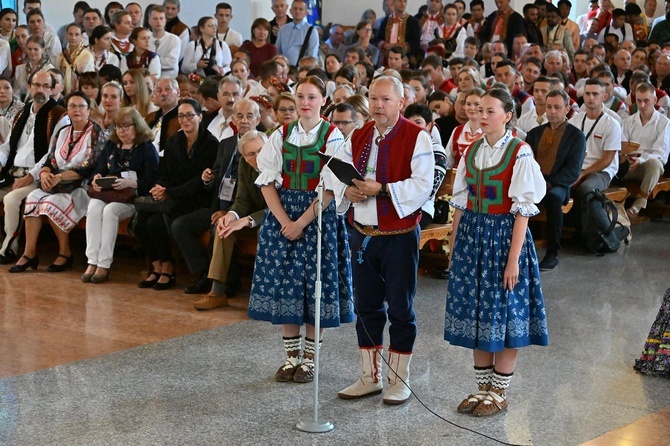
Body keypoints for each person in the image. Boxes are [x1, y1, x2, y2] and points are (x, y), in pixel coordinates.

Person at [444, 87, 548, 417]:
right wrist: (453, 244)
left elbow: (523, 211)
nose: (483, 116)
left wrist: (513, 259)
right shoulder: (471, 151)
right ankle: (481, 389)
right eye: (479, 110)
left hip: (504, 239)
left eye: (491, 111)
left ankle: (499, 391)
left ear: (507, 116)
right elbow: (460, 202)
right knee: (478, 313)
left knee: (503, 315)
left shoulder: (520, 153)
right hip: (474, 238)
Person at [248, 76, 354, 384]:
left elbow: (331, 189)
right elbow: (267, 182)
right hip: (282, 216)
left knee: (313, 287)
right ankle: (290, 356)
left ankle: (310, 358)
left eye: (311, 97)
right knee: (286, 285)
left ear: (323, 101)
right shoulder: (279, 135)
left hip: (316, 217)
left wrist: (301, 223)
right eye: (300, 97)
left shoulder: (333, 137)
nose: (304, 103)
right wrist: (284, 221)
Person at [336, 76, 434, 405]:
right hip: (361, 234)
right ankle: (369, 377)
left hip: (399, 236)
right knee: (366, 306)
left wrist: (382, 189)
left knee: (401, 309)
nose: (378, 105)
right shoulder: (359, 133)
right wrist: (346, 190)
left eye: (386, 100)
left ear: (400, 103)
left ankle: (399, 379)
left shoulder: (416, 137)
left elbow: (423, 184)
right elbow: (337, 172)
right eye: (374, 99)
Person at [9, 91, 105, 273]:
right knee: (33, 197)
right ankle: (29, 253)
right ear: (67, 110)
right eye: (72, 106)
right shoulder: (62, 131)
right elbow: (51, 159)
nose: (76, 110)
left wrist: (59, 177)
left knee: (51, 202)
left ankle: (65, 252)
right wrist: (45, 173)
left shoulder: (95, 132)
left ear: (88, 110)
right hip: (55, 182)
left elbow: (90, 166)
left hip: (80, 185)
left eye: (81, 106)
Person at [172, 98, 260, 295]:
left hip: (245, 209)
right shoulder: (226, 143)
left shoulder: (263, 145)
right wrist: (207, 179)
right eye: (239, 115)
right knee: (180, 225)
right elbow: (218, 175)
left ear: (258, 118)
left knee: (219, 229)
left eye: (249, 116)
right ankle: (204, 272)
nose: (244, 120)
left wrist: (227, 212)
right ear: (233, 120)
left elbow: (250, 197)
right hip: (217, 204)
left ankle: (228, 282)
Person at [134, 98, 218, 290]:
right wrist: (159, 187)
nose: (185, 120)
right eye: (181, 116)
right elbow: (166, 173)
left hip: (199, 201)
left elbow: (200, 182)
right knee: (141, 221)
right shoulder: (175, 141)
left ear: (200, 117)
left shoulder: (210, 143)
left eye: (190, 115)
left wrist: (169, 193)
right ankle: (159, 267)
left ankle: (203, 273)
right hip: (175, 198)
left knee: (163, 223)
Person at [194, 129, 268, 310]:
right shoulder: (244, 164)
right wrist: (231, 215)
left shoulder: (279, 164)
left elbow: (278, 207)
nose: (258, 157)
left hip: (275, 218)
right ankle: (217, 292)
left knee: (264, 231)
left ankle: (264, 294)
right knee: (224, 228)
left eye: (261, 151)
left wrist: (245, 220)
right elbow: (242, 199)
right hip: (253, 215)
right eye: (251, 154)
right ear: (244, 156)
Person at [84, 107, 159, 283]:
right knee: (94, 207)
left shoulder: (146, 147)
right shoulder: (112, 144)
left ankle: (104, 264)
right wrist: (96, 179)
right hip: (109, 193)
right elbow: (99, 169)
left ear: (137, 126)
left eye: (126, 126)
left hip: (132, 197)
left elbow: (152, 179)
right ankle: (92, 260)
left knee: (110, 211)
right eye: (118, 126)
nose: (121, 131)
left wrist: (131, 183)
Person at [0, 71, 66, 264]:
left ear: (53, 89)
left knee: (12, 199)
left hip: (37, 177)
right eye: (37, 85)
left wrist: (31, 175)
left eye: (46, 86)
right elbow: (8, 146)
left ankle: (9, 248)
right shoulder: (23, 112)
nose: (41, 90)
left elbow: (52, 153)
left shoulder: (59, 115)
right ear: (29, 86)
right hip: (13, 172)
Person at [526, 89, 586, 271]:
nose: (552, 111)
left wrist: (548, 183)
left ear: (567, 109)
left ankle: (553, 252)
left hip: (558, 184)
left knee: (553, 199)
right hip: (535, 180)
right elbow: (526, 161)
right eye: (549, 107)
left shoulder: (576, 136)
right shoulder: (535, 133)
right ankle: (518, 248)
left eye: (557, 107)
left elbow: (573, 171)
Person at [620, 82, 670, 221]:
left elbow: (661, 153)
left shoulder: (664, 123)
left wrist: (640, 160)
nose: (642, 105)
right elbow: (622, 146)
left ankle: (637, 206)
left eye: (646, 101)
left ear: (654, 100)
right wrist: (627, 159)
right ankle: (613, 205)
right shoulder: (628, 122)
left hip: (647, 166)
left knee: (656, 164)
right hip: (628, 164)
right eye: (639, 101)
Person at [275, 0, 319, 67]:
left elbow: (312, 56)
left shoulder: (312, 31)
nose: (297, 11)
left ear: (306, 13)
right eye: (295, 8)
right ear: (290, 11)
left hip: (302, 70)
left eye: (301, 9)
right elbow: (278, 51)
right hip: (284, 70)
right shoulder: (283, 29)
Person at [13, 35, 54, 101]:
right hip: (20, 105)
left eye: (36, 49)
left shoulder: (50, 69)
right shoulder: (19, 68)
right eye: (30, 49)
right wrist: (19, 105)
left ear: (43, 50)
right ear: (26, 49)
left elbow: (50, 92)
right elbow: (16, 91)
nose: (32, 52)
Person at [56, 23, 94, 94]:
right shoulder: (61, 56)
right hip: (63, 93)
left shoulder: (87, 55)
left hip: (81, 93)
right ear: (66, 35)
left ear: (81, 36)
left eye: (76, 35)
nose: (73, 37)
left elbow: (88, 79)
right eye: (70, 34)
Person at [147, 6, 181, 78]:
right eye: (155, 18)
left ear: (165, 21)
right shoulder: (146, 38)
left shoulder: (174, 39)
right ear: (149, 21)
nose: (158, 21)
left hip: (168, 79)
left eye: (161, 18)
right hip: (149, 79)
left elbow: (172, 62)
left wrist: (152, 62)